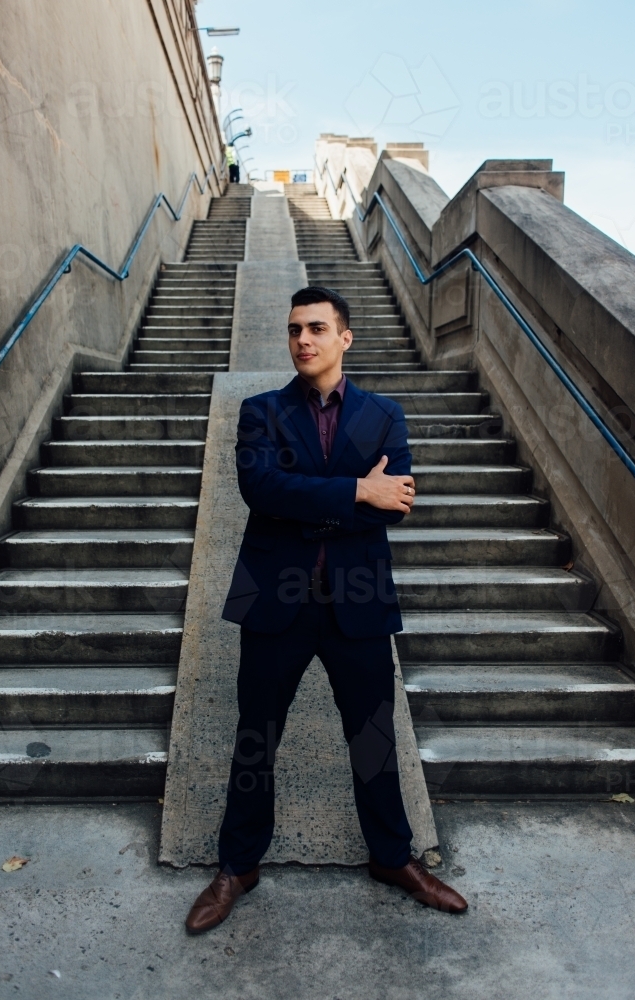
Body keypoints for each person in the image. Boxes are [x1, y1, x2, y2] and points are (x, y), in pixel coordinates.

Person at [185, 286, 467, 933]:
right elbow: (261, 487)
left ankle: (393, 858)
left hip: (357, 602)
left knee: (372, 740)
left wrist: (332, 495)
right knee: (255, 740)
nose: (302, 340)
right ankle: (237, 865)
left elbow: (395, 497)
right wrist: (353, 489)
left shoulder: (384, 416)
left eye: (315, 327)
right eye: (293, 330)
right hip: (273, 603)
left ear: (345, 337)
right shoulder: (259, 412)